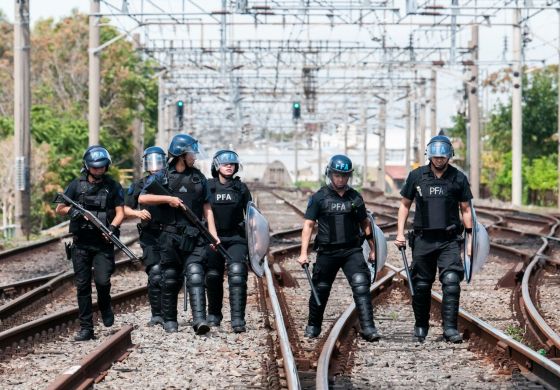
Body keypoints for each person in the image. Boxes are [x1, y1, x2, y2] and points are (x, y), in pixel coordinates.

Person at [395, 134, 473, 343]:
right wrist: (400, 233)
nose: (439, 160)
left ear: (449, 156)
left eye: (443, 157)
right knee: (421, 285)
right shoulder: (416, 176)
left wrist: (470, 241)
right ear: (430, 155)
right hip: (423, 239)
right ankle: (421, 325)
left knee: (451, 281)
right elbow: (405, 205)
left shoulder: (459, 178)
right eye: (436, 157)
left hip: (449, 239)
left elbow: (466, 209)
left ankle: (450, 329)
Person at [139, 134, 219, 335]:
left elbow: (207, 207)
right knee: (171, 277)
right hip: (169, 237)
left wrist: (213, 233)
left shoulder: (198, 177)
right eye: (191, 153)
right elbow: (143, 197)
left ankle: (200, 320)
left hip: (194, 236)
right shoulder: (161, 176)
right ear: (181, 155)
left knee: (195, 274)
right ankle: (170, 320)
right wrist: (168, 199)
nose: (195, 157)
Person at [298, 154, 380, 342]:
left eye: (344, 175)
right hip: (327, 252)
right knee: (321, 288)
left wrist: (373, 249)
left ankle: (368, 328)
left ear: (348, 176)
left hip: (352, 251)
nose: (340, 179)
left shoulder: (355, 198)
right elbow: (309, 225)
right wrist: (303, 253)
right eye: (337, 175)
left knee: (361, 284)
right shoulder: (318, 198)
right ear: (330, 174)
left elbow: (365, 223)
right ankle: (313, 326)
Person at [55, 145, 124, 341]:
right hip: (81, 244)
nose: (98, 170)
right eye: (94, 167)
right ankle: (86, 328)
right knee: (82, 286)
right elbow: (60, 207)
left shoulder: (113, 186)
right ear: (87, 166)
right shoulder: (76, 185)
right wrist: (72, 211)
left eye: (102, 167)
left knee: (103, 281)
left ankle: (105, 305)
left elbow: (120, 212)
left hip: (103, 243)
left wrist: (112, 228)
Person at [205, 150, 252, 333]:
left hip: (236, 238)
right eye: (225, 163)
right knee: (213, 276)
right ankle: (214, 314)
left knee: (238, 272)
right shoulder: (208, 187)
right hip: (213, 238)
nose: (229, 166)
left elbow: (252, 216)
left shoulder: (241, 188)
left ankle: (238, 319)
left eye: (232, 163)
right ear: (216, 166)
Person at [124, 146, 167, 327]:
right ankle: (157, 314)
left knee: (171, 275)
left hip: (172, 234)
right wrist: (137, 213)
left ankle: (169, 315)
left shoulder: (170, 181)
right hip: (150, 235)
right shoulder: (138, 185)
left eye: (158, 161)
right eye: (151, 161)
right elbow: (123, 209)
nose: (155, 165)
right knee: (155, 274)